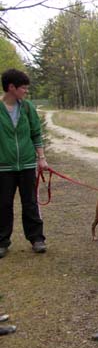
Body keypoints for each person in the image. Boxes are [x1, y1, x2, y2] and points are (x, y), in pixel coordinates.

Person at [0, 69, 48, 258]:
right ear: (11, 87)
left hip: (27, 164)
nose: (26, 91)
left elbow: (36, 133)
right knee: (3, 204)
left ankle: (37, 238)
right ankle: (2, 241)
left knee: (30, 203)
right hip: (3, 166)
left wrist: (41, 158)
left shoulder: (27, 108)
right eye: (23, 88)